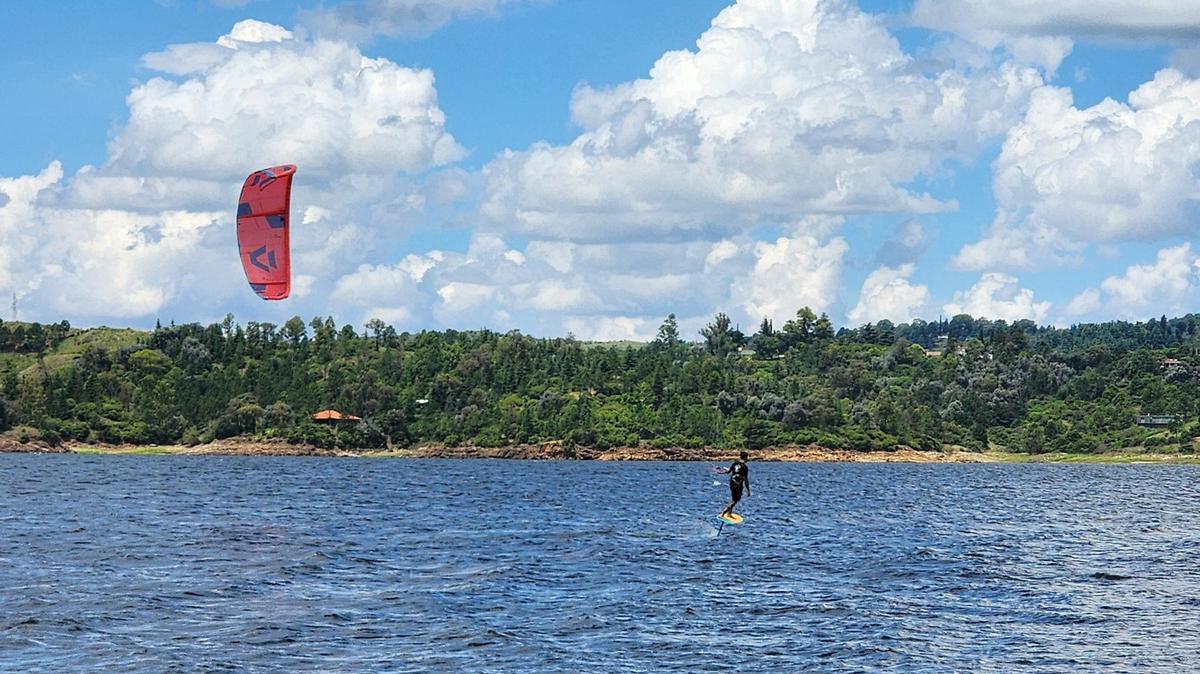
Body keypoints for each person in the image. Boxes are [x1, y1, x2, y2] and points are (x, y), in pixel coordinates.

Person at [720, 451, 750, 518]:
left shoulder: (735, 463)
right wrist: (748, 490)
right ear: (745, 457)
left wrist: (723, 471)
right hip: (738, 485)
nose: (748, 459)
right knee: (735, 500)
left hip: (732, 483)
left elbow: (728, 472)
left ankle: (729, 513)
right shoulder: (745, 467)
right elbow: (746, 480)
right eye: (747, 457)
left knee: (733, 498)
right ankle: (723, 513)